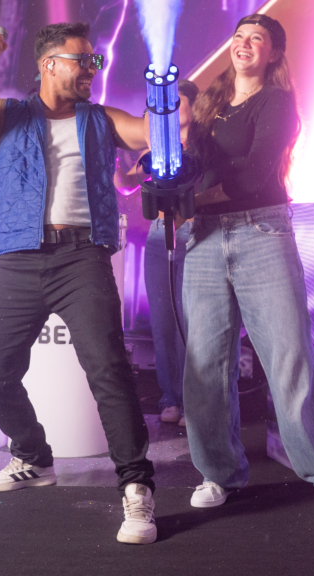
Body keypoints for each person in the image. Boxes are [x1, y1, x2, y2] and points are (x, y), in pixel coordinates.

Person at [0, 21, 158, 546]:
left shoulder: (99, 119)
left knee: (109, 371)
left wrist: (168, 111)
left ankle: (137, 486)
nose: (93, 70)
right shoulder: (8, 115)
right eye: (84, 61)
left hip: (83, 257)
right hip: (20, 258)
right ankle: (33, 456)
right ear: (49, 65)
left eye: (95, 61)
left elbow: (148, 133)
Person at [180, 12, 314, 522]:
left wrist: (191, 200)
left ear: (274, 53)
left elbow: (254, 175)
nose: (244, 44)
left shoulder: (276, 102)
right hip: (203, 238)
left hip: (261, 231)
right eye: (239, 36)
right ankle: (218, 473)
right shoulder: (208, 103)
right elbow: (191, 165)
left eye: (257, 39)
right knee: (205, 364)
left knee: (288, 357)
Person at [116, 79, 199, 426]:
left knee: (189, 321)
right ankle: (170, 398)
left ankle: (193, 401)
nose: (171, 108)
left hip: (195, 234)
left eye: (178, 101)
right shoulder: (155, 144)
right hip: (158, 235)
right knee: (163, 322)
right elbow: (127, 184)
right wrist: (115, 159)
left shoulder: (204, 145)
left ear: (194, 107)